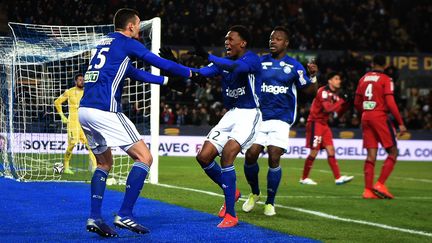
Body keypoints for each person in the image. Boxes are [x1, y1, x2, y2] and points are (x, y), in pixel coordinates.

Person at [78, 8, 193, 237]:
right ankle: (125, 213)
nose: (140, 28)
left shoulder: (105, 43)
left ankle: (95, 217)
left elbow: (134, 73)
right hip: (105, 110)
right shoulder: (127, 42)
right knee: (145, 157)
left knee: (104, 164)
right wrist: (192, 73)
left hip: (84, 111)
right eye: (138, 24)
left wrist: (167, 81)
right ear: (131, 26)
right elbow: (158, 62)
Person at [186, 25, 262, 228]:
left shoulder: (252, 59)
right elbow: (201, 73)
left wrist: (208, 55)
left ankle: (231, 215)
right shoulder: (223, 62)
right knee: (203, 156)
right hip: (231, 114)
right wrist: (172, 65)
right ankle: (233, 192)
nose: (227, 42)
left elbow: (238, 68)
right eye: (226, 39)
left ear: (243, 43)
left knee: (228, 154)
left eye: (231, 39)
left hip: (249, 113)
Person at [241, 26, 318, 216]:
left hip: (282, 119)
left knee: (274, 156)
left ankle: (270, 202)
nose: (272, 41)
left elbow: (309, 91)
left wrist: (313, 76)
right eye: (271, 38)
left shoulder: (294, 66)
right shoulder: (259, 63)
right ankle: (254, 193)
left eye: (277, 39)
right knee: (251, 155)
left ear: (286, 43)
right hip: (259, 118)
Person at [354, 55, 407, 199]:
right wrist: (400, 123)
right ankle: (380, 184)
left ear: (372, 64)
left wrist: (365, 111)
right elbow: (390, 103)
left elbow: (357, 103)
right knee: (393, 151)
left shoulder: (363, 78)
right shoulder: (386, 79)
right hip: (380, 117)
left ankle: (368, 190)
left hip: (366, 117)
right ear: (385, 65)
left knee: (371, 155)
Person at [300, 72, 354, 186]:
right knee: (314, 151)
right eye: (336, 78)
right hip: (315, 123)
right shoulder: (323, 91)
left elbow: (338, 113)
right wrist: (340, 101)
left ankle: (338, 178)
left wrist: (346, 103)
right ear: (330, 81)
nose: (339, 81)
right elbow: (328, 109)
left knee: (331, 150)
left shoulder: (334, 94)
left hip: (324, 125)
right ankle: (304, 178)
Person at [54, 74, 97, 174]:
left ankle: (94, 167)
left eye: (83, 80)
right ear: (75, 81)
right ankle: (66, 165)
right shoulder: (69, 92)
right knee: (72, 143)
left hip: (85, 122)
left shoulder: (88, 92)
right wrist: (62, 116)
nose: (82, 82)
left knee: (90, 144)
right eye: (80, 80)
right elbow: (57, 102)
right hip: (73, 122)